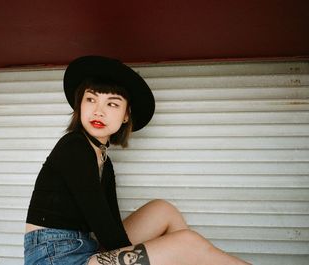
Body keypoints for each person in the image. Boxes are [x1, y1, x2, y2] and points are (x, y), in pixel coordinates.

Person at [24, 55, 250, 265]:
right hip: (55, 257)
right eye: (91, 99)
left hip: (87, 249)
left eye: (112, 103)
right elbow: (104, 228)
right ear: (79, 105)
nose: (98, 111)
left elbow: (111, 227)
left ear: (126, 115)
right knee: (187, 243)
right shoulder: (74, 147)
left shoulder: (104, 160)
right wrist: (159, 253)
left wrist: (154, 253)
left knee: (163, 210)